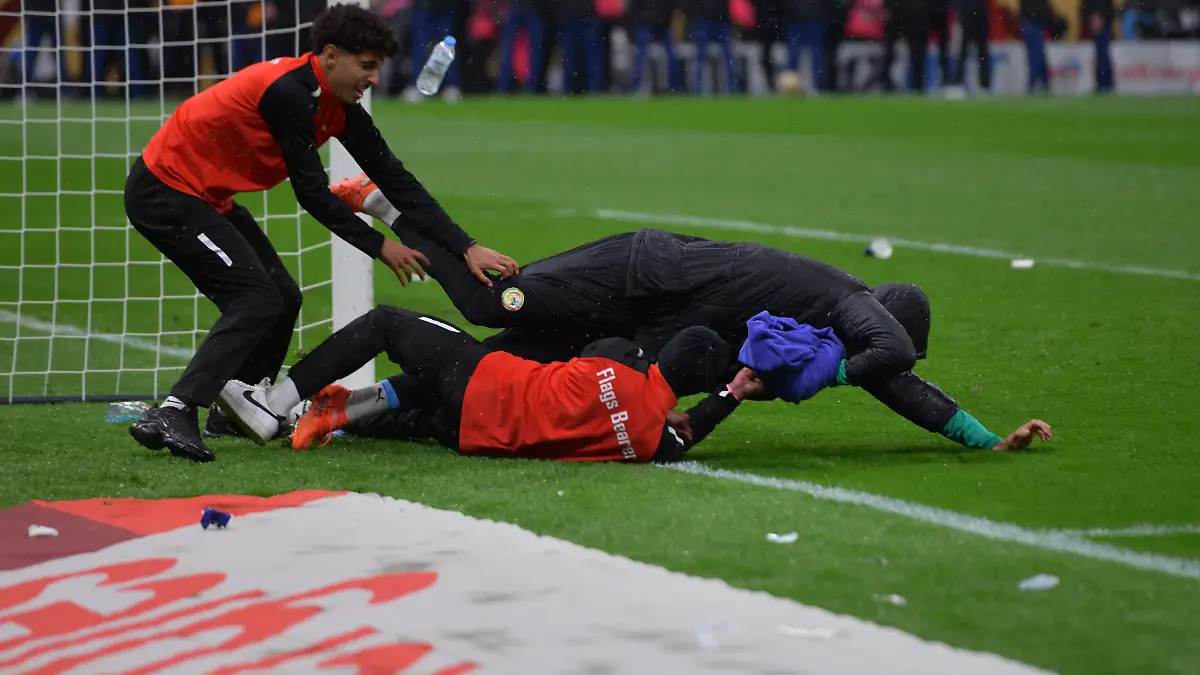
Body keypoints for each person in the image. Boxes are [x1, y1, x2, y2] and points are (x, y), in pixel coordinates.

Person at [326, 175, 1054, 453]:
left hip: (643, 322)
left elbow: (895, 381)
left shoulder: (836, 325)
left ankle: (347, 412)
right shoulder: (856, 306)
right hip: (636, 271)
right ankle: (386, 206)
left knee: (500, 371)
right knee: (490, 304)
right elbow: (891, 357)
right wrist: (835, 378)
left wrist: (986, 439)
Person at [124, 4, 518, 463]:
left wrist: (464, 246)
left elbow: (397, 180)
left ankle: (237, 407)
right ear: (330, 55)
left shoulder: (341, 107)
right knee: (256, 299)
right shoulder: (289, 93)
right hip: (165, 191)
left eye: (377, 67)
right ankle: (175, 409)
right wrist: (380, 245)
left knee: (283, 297)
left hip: (206, 196)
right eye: (366, 65)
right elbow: (312, 194)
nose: (373, 78)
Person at [222, 305, 765, 462]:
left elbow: (595, 349)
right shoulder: (652, 443)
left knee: (389, 324)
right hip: (478, 438)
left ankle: (276, 403)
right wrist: (733, 393)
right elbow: (688, 431)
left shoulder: (623, 363)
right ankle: (341, 413)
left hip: (481, 383)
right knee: (426, 386)